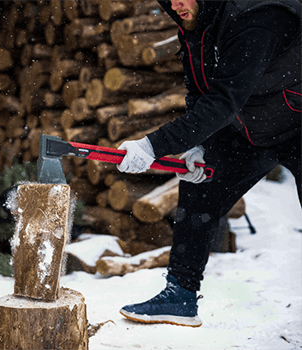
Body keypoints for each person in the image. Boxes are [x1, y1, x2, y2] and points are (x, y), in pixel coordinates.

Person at [117, 0, 302, 327]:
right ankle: (180, 295)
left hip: (298, 123)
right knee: (200, 186)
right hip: (251, 129)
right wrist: (200, 145)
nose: (175, 3)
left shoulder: (258, 18)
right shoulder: (196, 20)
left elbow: (222, 102)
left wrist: (153, 145)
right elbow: (200, 89)